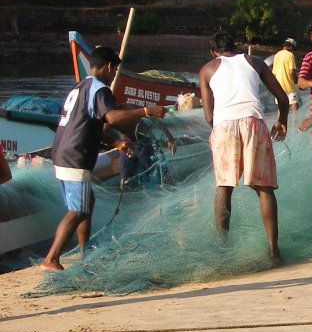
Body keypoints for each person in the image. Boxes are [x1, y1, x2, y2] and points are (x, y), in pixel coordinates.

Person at [41, 46, 168, 270]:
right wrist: (145, 111)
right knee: (78, 210)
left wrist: (117, 142)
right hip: (75, 155)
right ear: (109, 67)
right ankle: (51, 259)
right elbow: (112, 117)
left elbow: (91, 126)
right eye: (114, 71)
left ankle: (84, 249)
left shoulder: (80, 86)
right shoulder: (100, 89)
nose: (113, 76)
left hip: (62, 151)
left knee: (87, 202)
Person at [197, 31, 288, 265]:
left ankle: (221, 251)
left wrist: (220, 127)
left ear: (213, 53)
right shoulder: (254, 62)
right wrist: (282, 120)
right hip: (253, 122)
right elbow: (282, 97)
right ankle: (273, 251)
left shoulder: (207, 69)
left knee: (224, 187)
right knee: (264, 188)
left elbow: (209, 116)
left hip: (224, 125)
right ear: (235, 47)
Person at [271, 37, 299, 114]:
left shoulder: (277, 55)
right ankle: (294, 123)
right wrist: (296, 80)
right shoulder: (290, 55)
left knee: (281, 107)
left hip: (279, 86)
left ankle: (279, 124)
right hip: (289, 86)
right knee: (294, 104)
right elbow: (291, 71)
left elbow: (274, 73)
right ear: (291, 46)